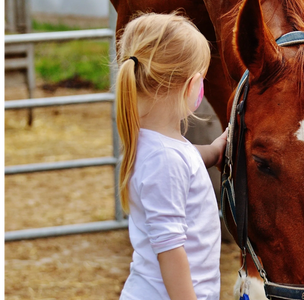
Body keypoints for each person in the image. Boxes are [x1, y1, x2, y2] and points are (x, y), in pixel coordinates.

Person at [115, 11, 227, 300]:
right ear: (192, 85)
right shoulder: (164, 160)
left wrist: (215, 151)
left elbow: (186, 161)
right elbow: (170, 250)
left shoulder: (159, 146)